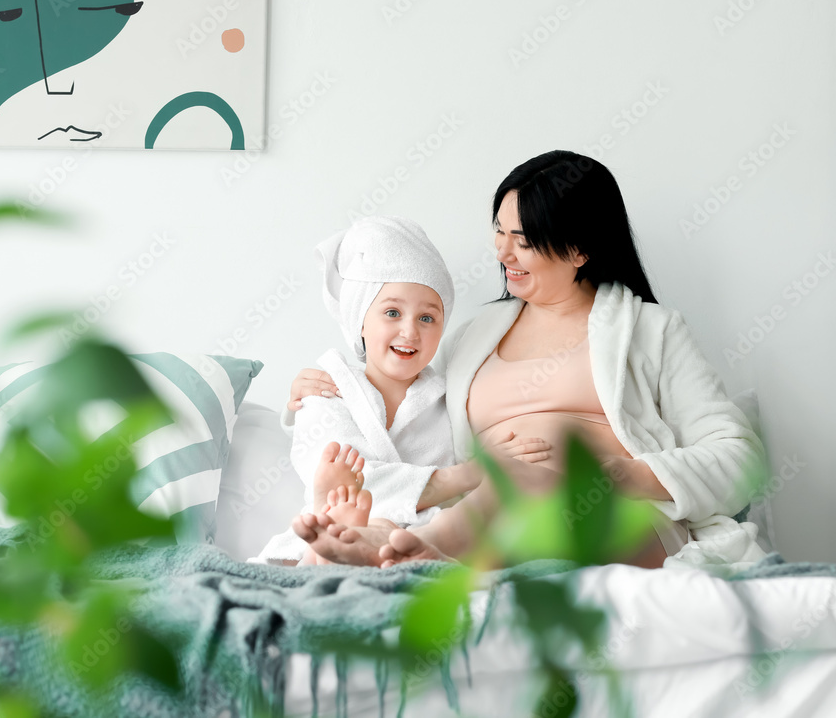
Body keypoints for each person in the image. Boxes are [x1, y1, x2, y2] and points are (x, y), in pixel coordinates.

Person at [288, 151, 768, 571]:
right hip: (497, 521)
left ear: (579, 249)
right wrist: (327, 387)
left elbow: (738, 458)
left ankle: (418, 552)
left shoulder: (652, 330)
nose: (503, 252)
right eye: (499, 232)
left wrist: (623, 474)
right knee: (512, 484)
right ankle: (417, 547)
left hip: (622, 519)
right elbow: (403, 414)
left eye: (524, 239)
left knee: (520, 481)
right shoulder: (469, 339)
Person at [254, 216, 549, 565]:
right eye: (392, 312)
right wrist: (466, 474)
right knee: (345, 508)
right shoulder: (325, 390)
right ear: (360, 320)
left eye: (427, 318)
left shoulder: (450, 400)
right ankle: (338, 530)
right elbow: (337, 473)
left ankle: (351, 538)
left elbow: (470, 484)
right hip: (326, 531)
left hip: (419, 537)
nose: (410, 331)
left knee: (398, 532)